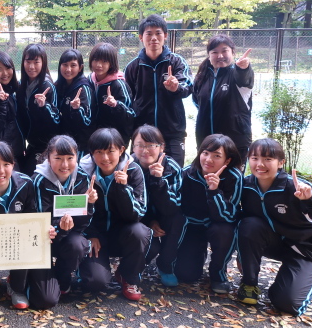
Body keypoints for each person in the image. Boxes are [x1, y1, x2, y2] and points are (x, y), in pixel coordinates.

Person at [0, 141, 60, 310]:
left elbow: (34, 218)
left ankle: (16, 286)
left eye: (6, 164)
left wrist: (45, 229)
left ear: (13, 165)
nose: (1, 171)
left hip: (15, 244)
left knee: (46, 298)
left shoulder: (26, 184)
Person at [237, 139, 312, 315]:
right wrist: (242, 252)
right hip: (275, 243)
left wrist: (311, 201)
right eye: (255, 158)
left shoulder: (296, 187)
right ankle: (249, 284)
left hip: (307, 249)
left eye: (268, 159)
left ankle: (289, 282)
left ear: (281, 162)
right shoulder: (246, 186)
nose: (260, 164)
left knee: (287, 303)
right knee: (249, 224)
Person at [78, 128, 150, 301]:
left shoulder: (133, 170)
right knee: (95, 282)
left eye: (110, 151)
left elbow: (138, 213)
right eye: (99, 152)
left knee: (140, 232)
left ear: (121, 150)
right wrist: (90, 234)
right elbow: (77, 211)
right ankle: (87, 269)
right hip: (96, 237)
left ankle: (128, 276)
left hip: (122, 234)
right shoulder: (82, 173)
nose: (105, 158)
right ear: (92, 153)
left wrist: (124, 188)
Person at [177, 134, 242, 293]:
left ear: (227, 160)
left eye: (216, 156)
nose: (208, 159)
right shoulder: (188, 173)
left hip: (218, 225)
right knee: (186, 275)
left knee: (225, 231)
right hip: (193, 226)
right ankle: (198, 254)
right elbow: (177, 208)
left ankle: (218, 272)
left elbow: (229, 216)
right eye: (205, 153)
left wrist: (214, 192)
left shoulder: (234, 177)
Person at [124, 14, 193, 166]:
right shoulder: (133, 67)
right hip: (142, 133)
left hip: (172, 131)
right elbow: (127, 100)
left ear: (165, 35)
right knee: (138, 173)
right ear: (141, 37)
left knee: (173, 172)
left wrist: (176, 87)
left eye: (158, 33)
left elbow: (188, 87)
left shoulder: (177, 61)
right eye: (149, 34)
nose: (154, 38)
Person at [32, 135, 96, 294]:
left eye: (70, 158)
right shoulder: (39, 181)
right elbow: (39, 220)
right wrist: (59, 227)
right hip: (44, 238)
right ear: (48, 158)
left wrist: (89, 204)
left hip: (70, 236)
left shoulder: (82, 178)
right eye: (58, 158)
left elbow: (83, 224)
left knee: (77, 244)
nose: (65, 164)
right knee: (46, 297)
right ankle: (41, 275)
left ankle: (63, 274)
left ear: (77, 157)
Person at [130, 125, 185, 287]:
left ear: (161, 147)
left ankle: (166, 266)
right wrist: (149, 222)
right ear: (133, 147)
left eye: (151, 145)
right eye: (140, 145)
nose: (145, 150)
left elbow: (173, 206)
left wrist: (157, 181)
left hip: (166, 213)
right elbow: (128, 205)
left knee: (178, 220)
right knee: (151, 247)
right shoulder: (129, 166)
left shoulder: (172, 167)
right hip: (140, 217)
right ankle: (133, 267)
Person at [192, 34, 254, 163]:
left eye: (224, 51)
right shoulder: (202, 77)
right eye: (214, 52)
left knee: (231, 176)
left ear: (232, 52)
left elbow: (244, 78)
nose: (220, 56)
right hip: (206, 143)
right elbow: (198, 103)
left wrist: (243, 68)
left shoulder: (236, 74)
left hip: (235, 144)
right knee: (208, 176)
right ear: (209, 55)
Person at [17, 44, 60, 176]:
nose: (31, 66)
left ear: (43, 63)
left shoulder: (47, 86)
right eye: (28, 61)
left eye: (36, 62)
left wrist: (44, 106)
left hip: (45, 145)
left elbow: (56, 120)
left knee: (34, 177)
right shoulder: (22, 84)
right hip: (31, 143)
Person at [88, 42, 135, 146]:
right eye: (95, 60)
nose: (99, 65)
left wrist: (116, 105)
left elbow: (130, 115)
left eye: (104, 61)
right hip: (95, 137)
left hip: (115, 140)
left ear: (111, 63)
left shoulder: (119, 85)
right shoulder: (90, 80)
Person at [54, 49, 94, 156]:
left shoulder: (84, 88)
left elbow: (87, 121)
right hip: (63, 142)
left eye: (73, 65)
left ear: (80, 67)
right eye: (65, 65)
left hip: (80, 145)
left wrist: (77, 109)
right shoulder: (59, 85)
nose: (68, 69)